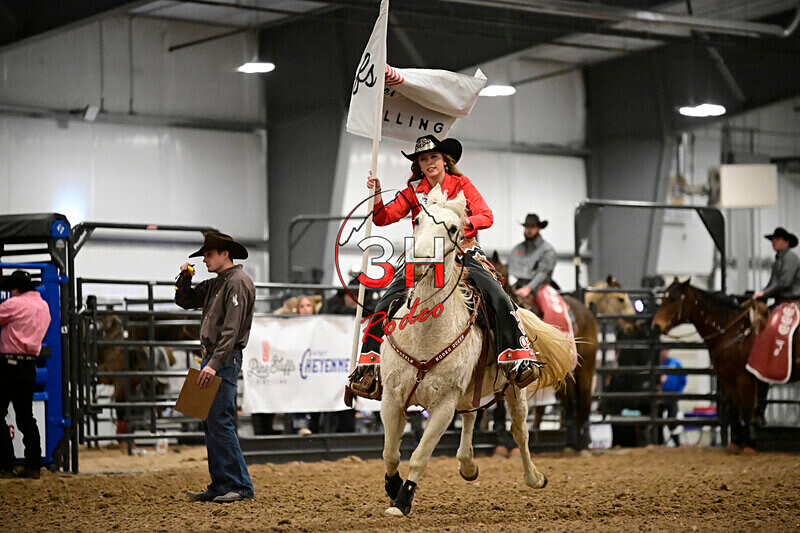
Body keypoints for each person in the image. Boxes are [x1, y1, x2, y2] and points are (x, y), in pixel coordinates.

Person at [349, 134, 541, 398]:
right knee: (387, 301)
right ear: (418, 164)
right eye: (423, 159)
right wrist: (377, 195)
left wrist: (462, 226)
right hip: (422, 256)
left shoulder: (461, 185)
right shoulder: (413, 192)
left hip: (461, 252)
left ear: (444, 160)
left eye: (434, 157)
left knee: (495, 294)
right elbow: (383, 218)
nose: (429, 162)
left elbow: (486, 215)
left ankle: (518, 357)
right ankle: (368, 365)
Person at [175, 231, 255, 503]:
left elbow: (231, 331)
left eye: (209, 254)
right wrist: (185, 279)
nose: (205, 259)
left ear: (224, 254)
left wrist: (214, 363)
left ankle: (238, 486)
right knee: (212, 421)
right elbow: (184, 300)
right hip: (216, 358)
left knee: (219, 421)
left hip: (221, 357)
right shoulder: (219, 284)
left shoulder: (237, 283)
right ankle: (222, 484)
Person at [0, 270, 51, 479]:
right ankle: (33, 465)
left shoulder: (14, 304)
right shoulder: (43, 306)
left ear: (15, 289)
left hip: (9, 365)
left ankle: (5, 463)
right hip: (30, 365)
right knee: (25, 416)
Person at [752, 226, 800, 426]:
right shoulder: (779, 260)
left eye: (778, 239)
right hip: (780, 301)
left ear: (786, 242)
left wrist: (763, 293)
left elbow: (785, 282)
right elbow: (774, 284)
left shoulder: (790, 259)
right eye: (774, 239)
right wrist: (762, 293)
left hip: (792, 301)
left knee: (773, 326)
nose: (775, 242)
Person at [507, 213, 557, 301]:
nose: (529, 230)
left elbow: (543, 273)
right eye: (527, 227)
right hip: (518, 286)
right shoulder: (517, 249)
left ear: (538, 228)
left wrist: (528, 288)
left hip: (540, 288)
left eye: (532, 227)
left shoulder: (547, 250)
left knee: (550, 309)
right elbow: (509, 269)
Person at [658, 349, 686, 446]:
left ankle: (676, 441)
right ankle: (659, 442)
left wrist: (678, 392)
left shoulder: (675, 363)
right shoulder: (656, 364)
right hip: (659, 396)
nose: (663, 352)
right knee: (658, 418)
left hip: (672, 395)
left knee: (672, 418)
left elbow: (683, 379)